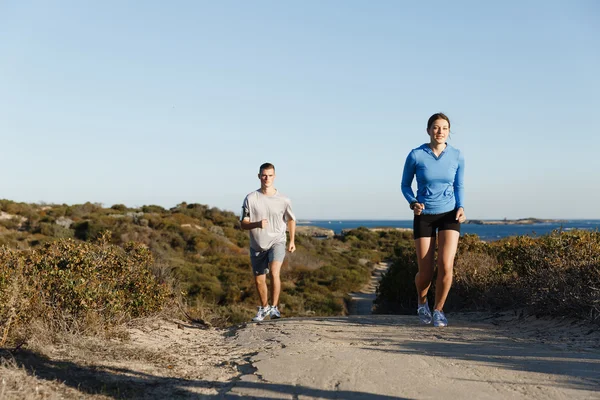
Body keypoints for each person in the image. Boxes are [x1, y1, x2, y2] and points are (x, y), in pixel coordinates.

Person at [401, 113, 466, 327]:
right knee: (426, 272)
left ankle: (438, 310)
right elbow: (405, 185)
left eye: (444, 128)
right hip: (424, 215)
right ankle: (422, 303)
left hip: (449, 214)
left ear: (449, 131)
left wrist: (461, 207)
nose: (440, 132)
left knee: (446, 265)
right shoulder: (416, 155)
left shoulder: (457, 156)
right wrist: (413, 202)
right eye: (436, 128)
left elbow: (459, 185)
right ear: (428, 130)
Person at [240, 162, 296, 322]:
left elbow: (291, 220)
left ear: (274, 177)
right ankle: (264, 307)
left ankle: (274, 308)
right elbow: (242, 224)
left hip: (277, 240)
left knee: (274, 271)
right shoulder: (250, 198)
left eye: (270, 175)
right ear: (259, 176)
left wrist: (292, 240)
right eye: (264, 175)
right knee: (259, 279)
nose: (267, 178)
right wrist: (257, 224)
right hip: (257, 244)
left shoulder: (284, 199)